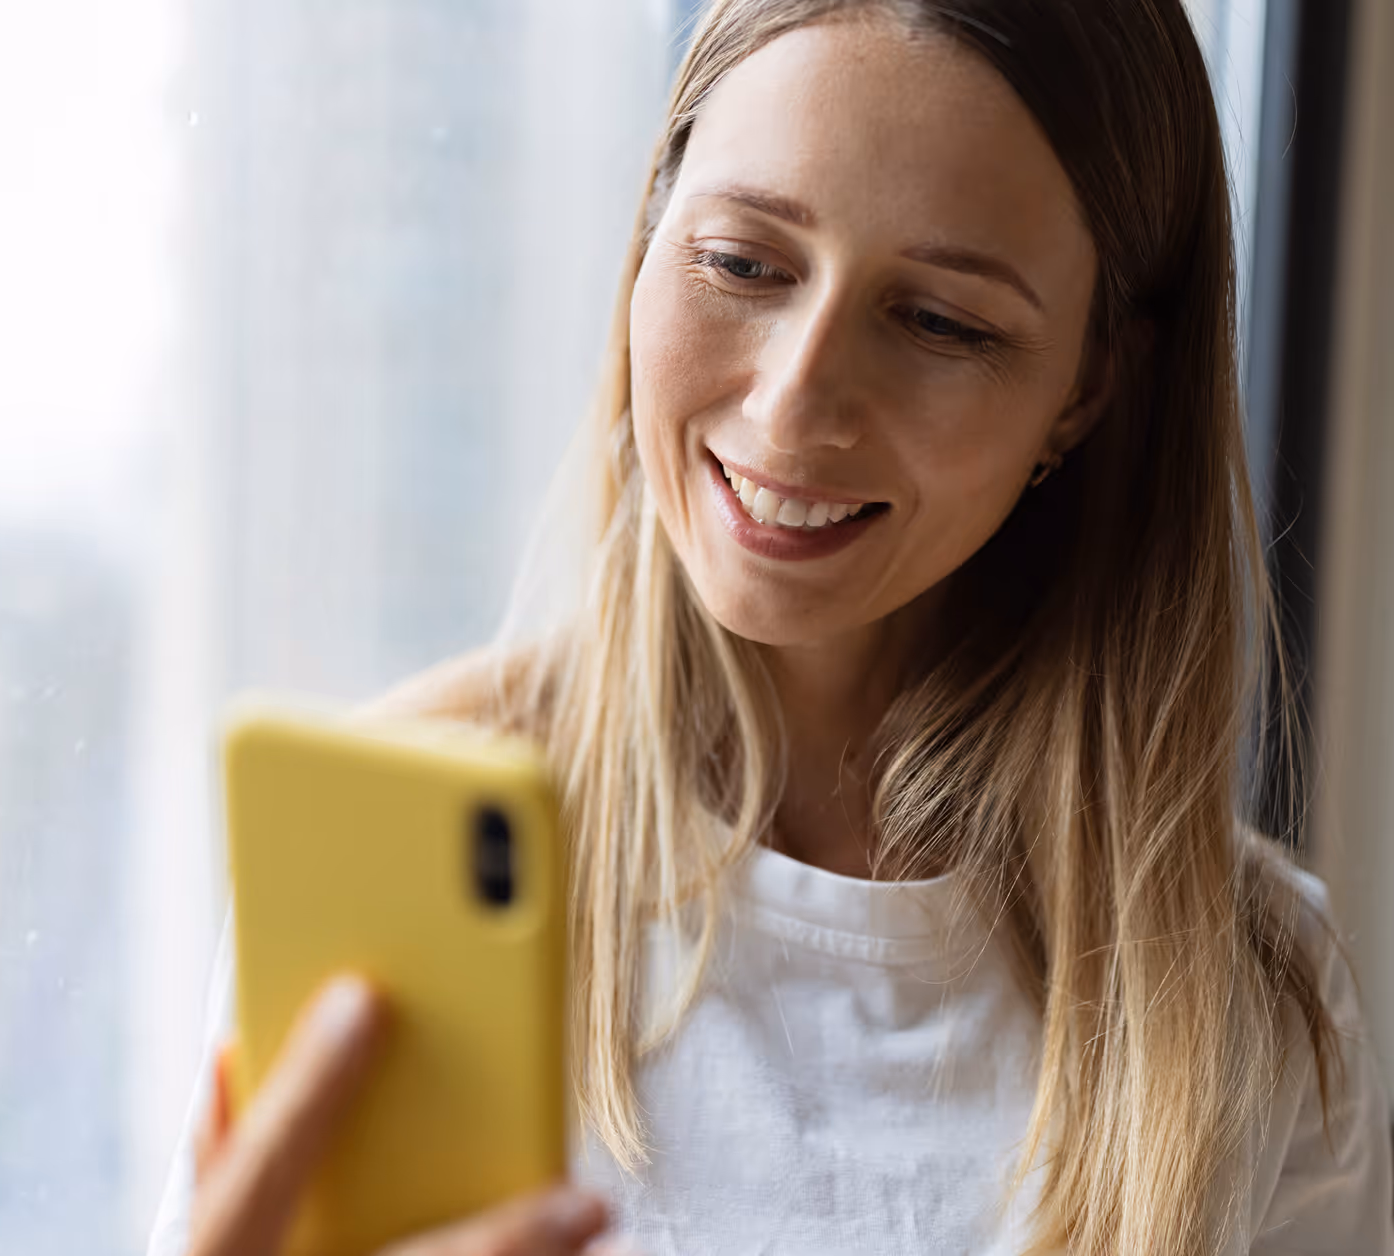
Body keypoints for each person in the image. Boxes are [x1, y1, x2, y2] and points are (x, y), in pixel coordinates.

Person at [149, 0, 1394, 1252]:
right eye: (741, 263)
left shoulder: (1252, 998)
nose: (794, 404)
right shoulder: (388, 854)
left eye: (941, 323)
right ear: (649, 231)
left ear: (1083, 390)